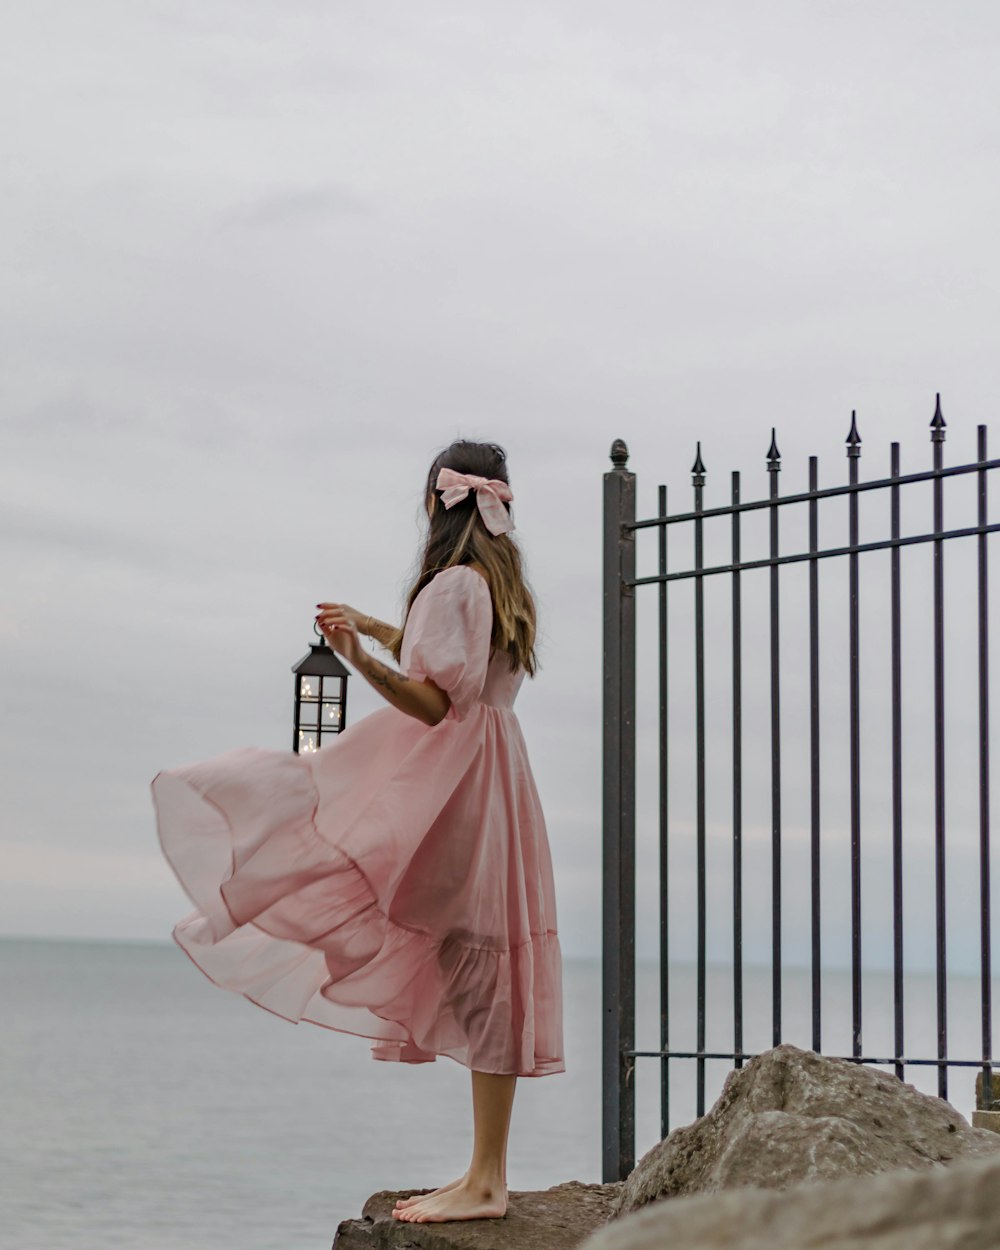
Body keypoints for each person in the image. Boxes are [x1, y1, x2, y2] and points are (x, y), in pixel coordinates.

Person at [150, 439, 565, 1224]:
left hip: (457, 785)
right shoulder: (502, 586)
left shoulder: (451, 586)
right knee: (485, 963)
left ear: (436, 505)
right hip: (500, 776)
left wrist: (355, 657)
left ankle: (485, 1181)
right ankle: (484, 1171)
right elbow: (466, 675)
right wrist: (379, 627)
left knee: (451, 945)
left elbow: (436, 703)